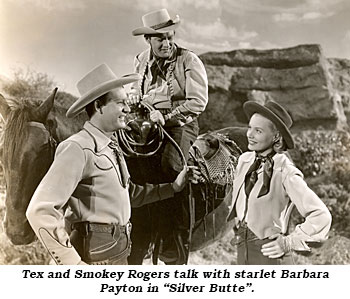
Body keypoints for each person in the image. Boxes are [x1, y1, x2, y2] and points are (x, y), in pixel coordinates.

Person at [26, 64, 196, 265]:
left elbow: (129, 194)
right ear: (98, 106)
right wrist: (72, 264)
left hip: (118, 255)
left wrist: (173, 188)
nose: (127, 108)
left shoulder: (111, 147)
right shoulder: (78, 148)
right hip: (95, 259)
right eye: (119, 103)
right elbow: (40, 210)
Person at [226, 100, 332, 265]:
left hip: (271, 256)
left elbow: (321, 215)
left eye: (258, 131)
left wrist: (289, 243)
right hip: (243, 250)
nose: (249, 135)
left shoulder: (285, 171)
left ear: (276, 137)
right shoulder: (244, 161)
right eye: (249, 128)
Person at [129, 8, 208, 181]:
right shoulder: (140, 60)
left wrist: (167, 117)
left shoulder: (189, 59)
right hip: (146, 121)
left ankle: (186, 206)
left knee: (172, 166)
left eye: (169, 38)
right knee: (129, 157)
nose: (166, 44)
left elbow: (198, 102)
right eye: (160, 39)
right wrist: (134, 96)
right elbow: (135, 88)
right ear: (147, 39)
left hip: (180, 124)